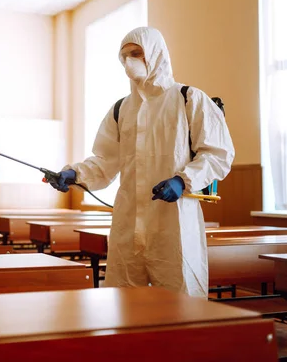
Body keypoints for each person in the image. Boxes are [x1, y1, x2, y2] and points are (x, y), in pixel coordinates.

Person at [49, 26, 235, 298]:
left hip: (173, 222)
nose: (129, 62)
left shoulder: (188, 99)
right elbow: (105, 162)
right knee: (124, 303)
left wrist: (183, 180)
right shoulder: (121, 109)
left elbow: (219, 154)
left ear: (156, 53)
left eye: (136, 54)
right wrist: (75, 174)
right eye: (124, 57)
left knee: (180, 301)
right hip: (128, 222)